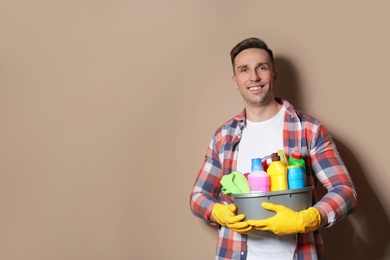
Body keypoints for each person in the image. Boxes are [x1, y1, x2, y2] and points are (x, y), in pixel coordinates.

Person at [189, 37, 357, 260]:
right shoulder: (224, 137)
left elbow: (345, 191)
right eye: (244, 70)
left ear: (274, 75)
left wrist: (309, 218)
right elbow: (198, 196)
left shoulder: (309, 130)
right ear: (235, 81)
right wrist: (219, 212)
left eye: (262, 68)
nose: (254, 77)